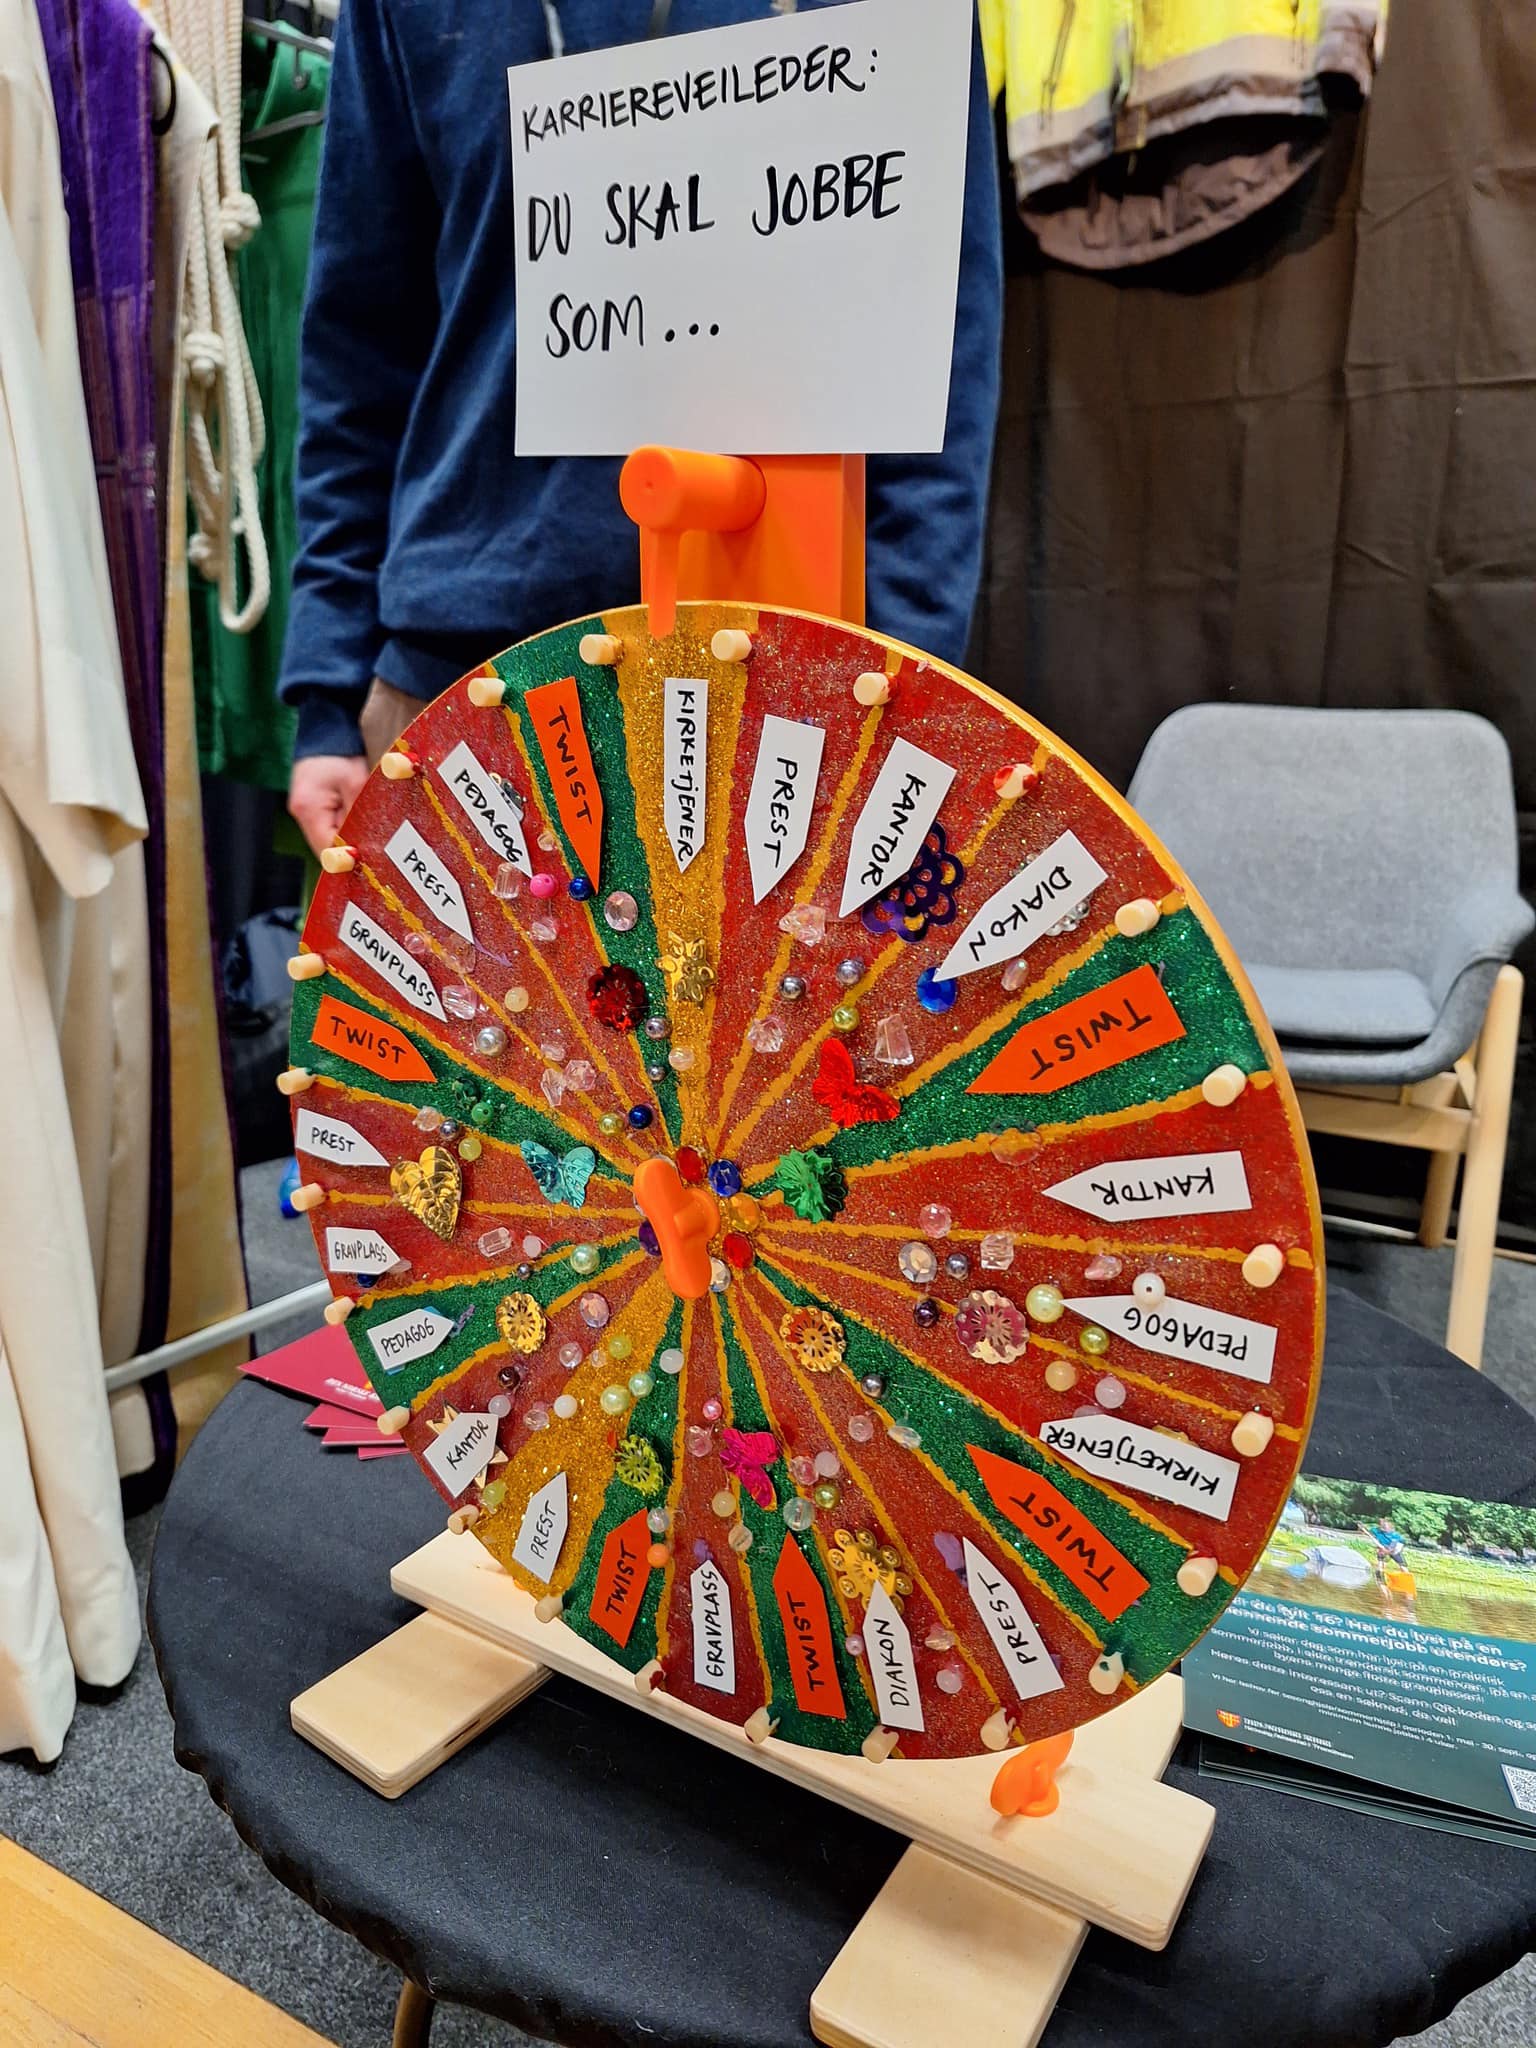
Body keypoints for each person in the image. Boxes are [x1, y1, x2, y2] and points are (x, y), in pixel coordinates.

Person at [281, 0, 1003, 856]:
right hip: (462, 686)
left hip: (783, 697)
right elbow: (360, 347)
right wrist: (327, 695)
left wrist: (901, 682)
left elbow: (936, 350)